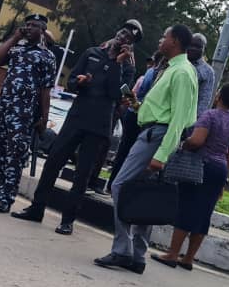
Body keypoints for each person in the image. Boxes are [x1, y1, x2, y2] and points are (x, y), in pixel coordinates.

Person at [10, 20, 139, 235]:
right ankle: (36, 208)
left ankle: (67, 220)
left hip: (98, 125)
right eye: (123, 32)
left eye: (129, 37)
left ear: (131, 44)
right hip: (77, 117)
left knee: (82, 175)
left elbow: (117, 95)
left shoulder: (128, 67)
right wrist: (79, 82)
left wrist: (118, 63)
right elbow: (70, 82)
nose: (123, 37)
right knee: (53, 162)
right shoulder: (92, 53)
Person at [94, 24, 197, 274]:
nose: (161, 40)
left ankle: (122, 250)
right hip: (153, 131)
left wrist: (161, 154)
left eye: (165, 36)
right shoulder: (172, 69)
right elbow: (165, 110)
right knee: (143, 194)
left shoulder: (182, 72)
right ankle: (137, 255)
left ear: (175, 41)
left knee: (120, 186)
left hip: (156, 137)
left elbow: (179, 119)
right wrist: (137, 105)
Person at [0, 14, 55, 213]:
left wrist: (44, 118)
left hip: (24, 114)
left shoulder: (47, 56)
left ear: (42, 31)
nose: (28, 28)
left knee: (15, 156)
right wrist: (14, 38)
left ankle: (6, 198)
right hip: (5, 109)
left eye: (33, 26)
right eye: (27, 24)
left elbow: (45, 90)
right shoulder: (17, 49)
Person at [151, 84, 229, 270]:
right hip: (219, 170)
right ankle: (188, 258)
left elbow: (197, 141)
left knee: (187, 208)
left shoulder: (209, 116)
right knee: (203, 214)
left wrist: (183, 144)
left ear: (218, 96)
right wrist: (222, 184)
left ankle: (173, 254)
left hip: (201, 166)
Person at [106, 51, 165, 193]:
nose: (149, 64)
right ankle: (121, 187)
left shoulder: (149, 74)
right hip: (141, 115)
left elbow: (135, 94)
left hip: (134, 113)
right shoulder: (155, 75)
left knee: (125, 150)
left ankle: (113, 184)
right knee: (132, 153)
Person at [189, 33, 215, 114]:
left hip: (188, 115)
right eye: (191, 45)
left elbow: (204, 99)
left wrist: (196, 118)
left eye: (198, 47)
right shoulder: (179, 61)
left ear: (204, 49)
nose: (193, 49)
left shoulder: (208, 71)